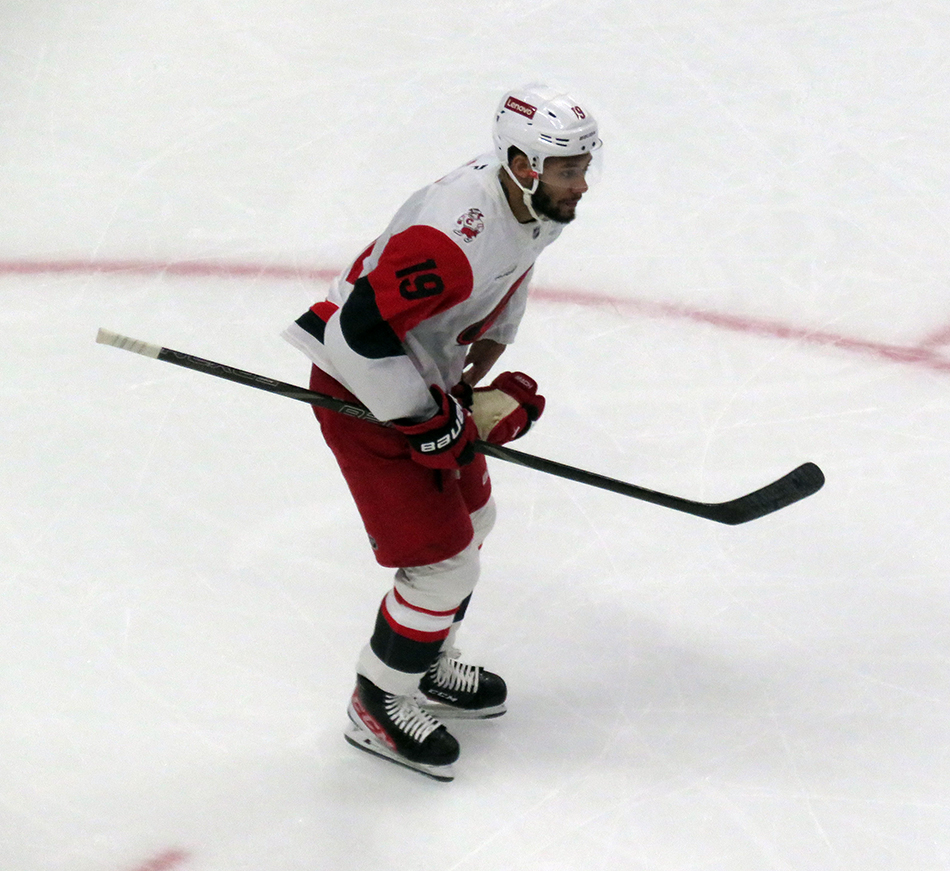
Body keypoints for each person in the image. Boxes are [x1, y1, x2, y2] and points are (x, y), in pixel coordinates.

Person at [282, 83, 601, 781]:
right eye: (568, 169)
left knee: (475, 518)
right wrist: (428, 422)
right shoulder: (454, 232)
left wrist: (469, 389)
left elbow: (507, 283)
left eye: (583, 166)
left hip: (425, 378)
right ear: (522, 163)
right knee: (442, 563)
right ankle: (378, 700)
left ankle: (422, 664)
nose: (581, 184)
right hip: (360, 386)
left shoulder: (533, 203)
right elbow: (356, 334)